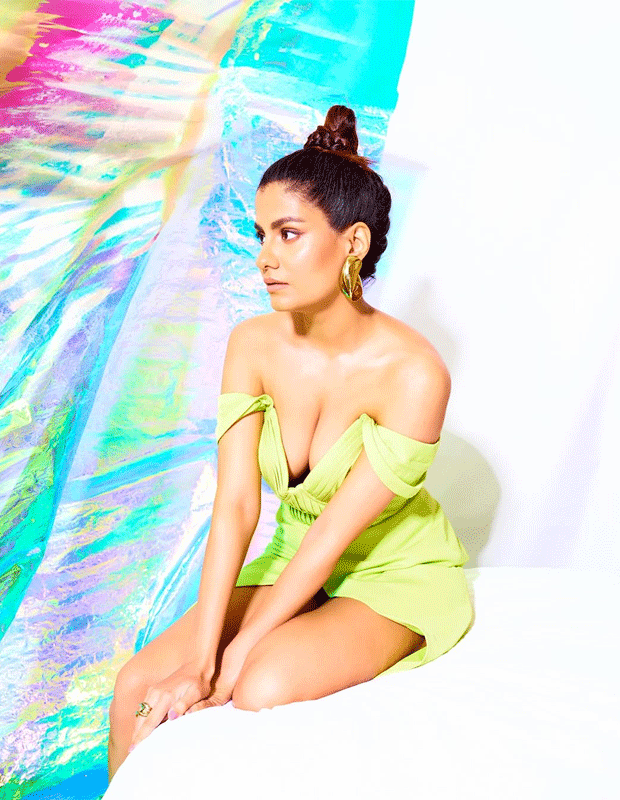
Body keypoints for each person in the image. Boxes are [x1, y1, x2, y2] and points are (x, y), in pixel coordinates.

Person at [107, 105, 472, 779]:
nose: (265, 257)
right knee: (136, 685)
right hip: (290, 559)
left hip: (389, 573)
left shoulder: (415, 374)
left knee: (260, 685)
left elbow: (332, 536)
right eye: (260, 234)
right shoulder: (252, 344)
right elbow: (236, 507)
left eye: (289, 234)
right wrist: (202, 656)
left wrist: (230, 664)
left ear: (353, 242)